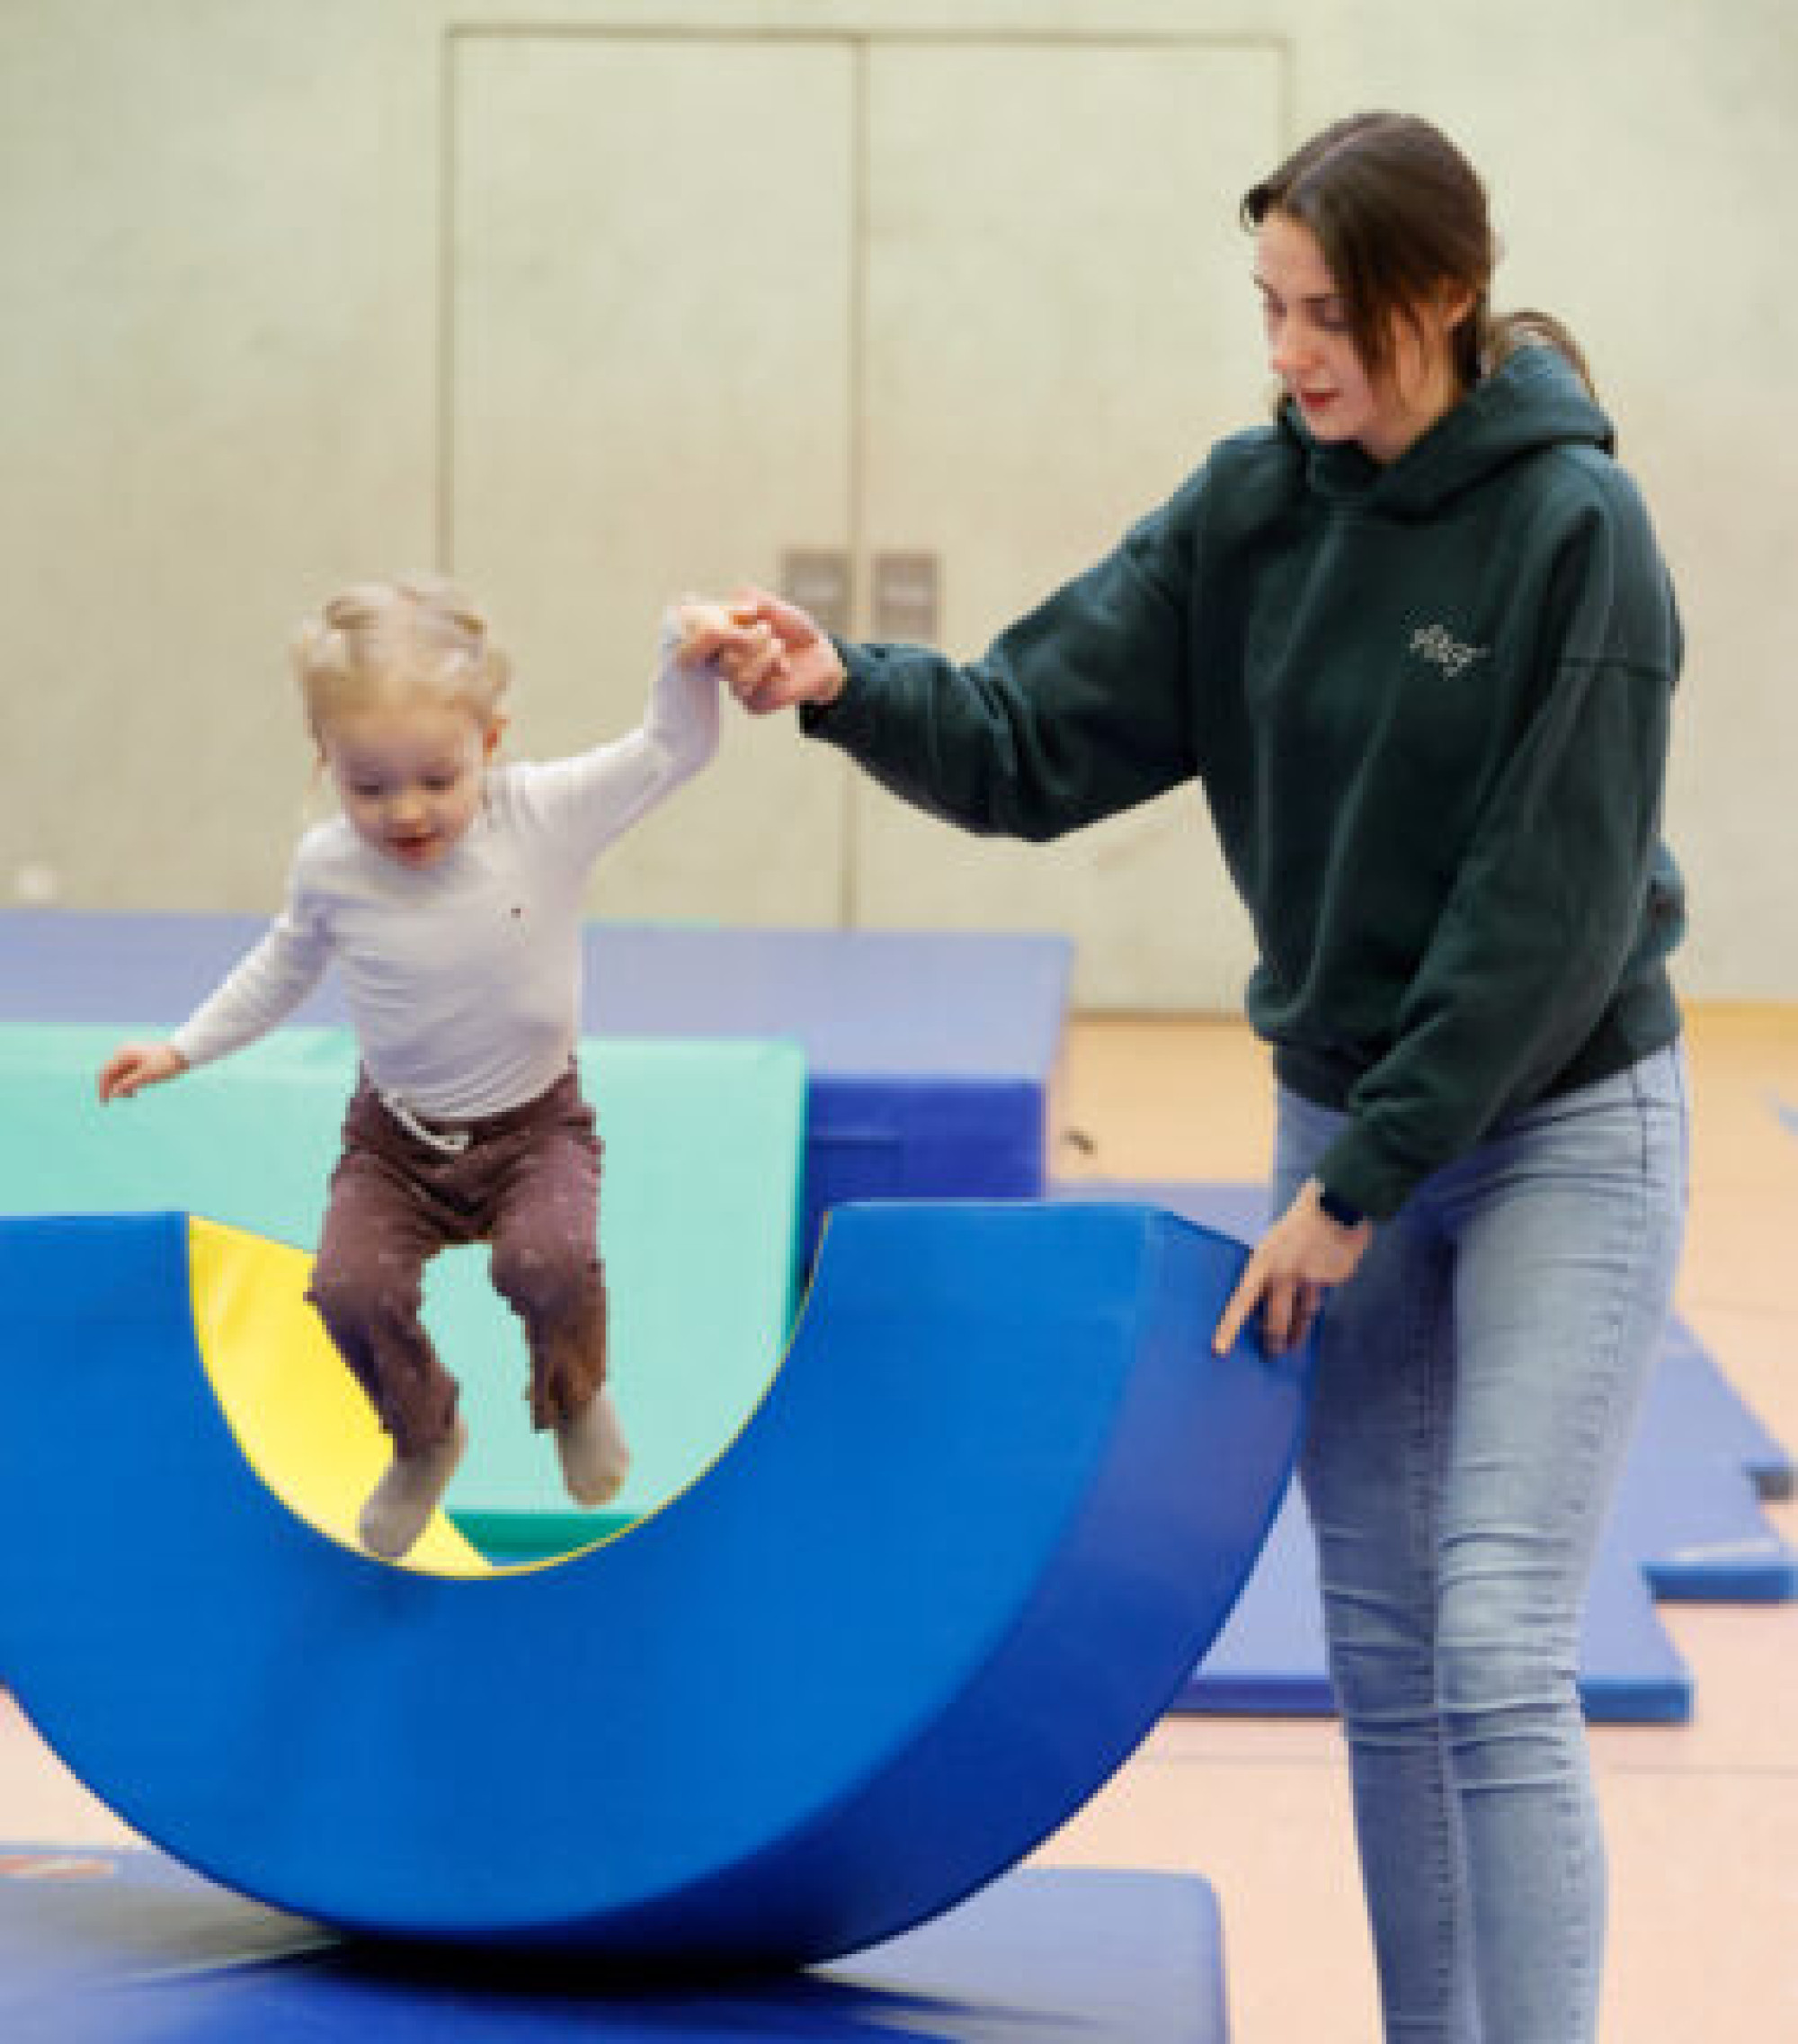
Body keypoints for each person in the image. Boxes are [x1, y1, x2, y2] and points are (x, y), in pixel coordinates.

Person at [690, 111, 1687, 2044]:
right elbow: (1021, 738)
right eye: (1272, 309)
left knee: (1491, 1638)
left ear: (1449, 298)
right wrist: (841, 687)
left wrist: (1350, 1189)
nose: (1295, 351)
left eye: (1333, 313)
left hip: (1553, 1115)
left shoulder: (1577, 533)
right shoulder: (1253, 512)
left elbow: (1541, 920)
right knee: (1383, 1655)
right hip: (1351, 1121)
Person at [98, 577, 739, 1562]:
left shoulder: (542, 817)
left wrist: (681, 651)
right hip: (396, 1142)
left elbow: (673, 750)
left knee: (548, 1264)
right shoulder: (329, 868)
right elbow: (281, 967)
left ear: (489, 740)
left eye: (436, 778)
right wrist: (182, 1047)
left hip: (534, 1131)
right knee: (348, 1288)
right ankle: (425, 1436)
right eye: (368, 786)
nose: (406, 813)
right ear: (326, 764)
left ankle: (572, 1388)